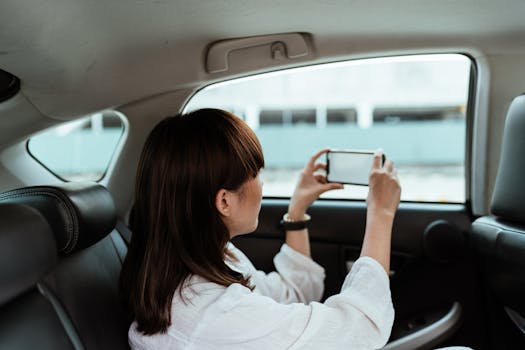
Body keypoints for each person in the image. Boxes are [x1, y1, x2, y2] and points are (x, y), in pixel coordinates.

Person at [119, 108, 401, 349]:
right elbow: (360, 331)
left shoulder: (213, 261)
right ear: (224, 201)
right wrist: (381, 213)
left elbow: (292, 295)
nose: (261, 184)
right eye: (255, 174)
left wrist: (297, 211)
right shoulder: (215, 314)